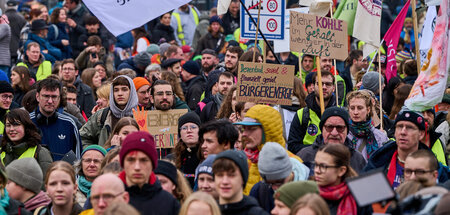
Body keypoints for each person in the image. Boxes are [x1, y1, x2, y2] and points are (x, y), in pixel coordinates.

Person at [365, 110, 449, 189]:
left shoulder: (435, 168)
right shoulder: (377, 162)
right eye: (399, 127)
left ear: (421, 134)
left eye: (410, 128)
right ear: (394, 132)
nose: (403, 132)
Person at [234, 105, 304, 195]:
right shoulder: (242, 160)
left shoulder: (292, 163)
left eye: (251, 129)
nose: (244, 134)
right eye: (244, 128)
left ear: (267, 130)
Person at [118, 131, 180, 214]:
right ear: (123, 163)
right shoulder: (109, 198)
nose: (137, 167)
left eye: (144, 160)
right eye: (131, 160)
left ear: (153, 164)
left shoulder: (169, 203)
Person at [297, 107, 367, 173]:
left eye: (340, 128)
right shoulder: (305, 156)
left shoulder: (357, 159)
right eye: (329, 127)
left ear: (347, 131)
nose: (334, 133)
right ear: (322, 129)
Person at [30, 78, 82, 160]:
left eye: (54, 97)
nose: (50, 101)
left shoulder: (69, 124)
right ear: (37, 96)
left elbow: (78, 159)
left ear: (59, 98)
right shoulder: (27, 122)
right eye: (46, 96)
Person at [80, 75, 138, 148]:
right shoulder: (101, 116)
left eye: (124, 89)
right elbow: (82, 138)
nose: (120, 93)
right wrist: (96, 152)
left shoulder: (141, 116)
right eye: (116, 90)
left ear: (131, 91)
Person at [250, 142, 310, 213]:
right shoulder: (259, 191)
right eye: (269, 183)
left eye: (279, 182)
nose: (274, 188)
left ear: (289, 171)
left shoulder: (312, 185)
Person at [288, 71, 337, 154]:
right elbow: (293, 146)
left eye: (328, 84)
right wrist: (318, 148)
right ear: (313, 86)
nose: (324, 87)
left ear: (333, 88)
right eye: (320, 84)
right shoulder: (302, 114)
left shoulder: (339, 115)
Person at [314, 144, 365, 215]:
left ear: (341, 171)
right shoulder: (308, 194)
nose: (317, 170)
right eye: (316, 164)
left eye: (323, 166)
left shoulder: (360, 199)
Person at [212, 150, 268, 215]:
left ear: (243, 179)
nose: (225, 181)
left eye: (231, 175)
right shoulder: (207, 211)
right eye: (220, 175)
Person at [1, 108, 52, 174]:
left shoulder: (40, 153)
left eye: (16, 124)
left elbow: (47, 181)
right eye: (8, 125)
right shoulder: (2, 151)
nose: (11, 129)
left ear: (26, 127)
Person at [346, 91, 388, 160]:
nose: (355, 112)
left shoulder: (380, 136)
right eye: (352, 108)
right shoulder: (344, 134)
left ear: (368, 110)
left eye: (360, 108)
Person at [171, 112, 202, 187]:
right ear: (180, 135)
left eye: (193, 127)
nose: (189, 130)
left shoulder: (207, 156)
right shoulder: (172, 159)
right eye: (184, 128)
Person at [4, 0, 27, 65]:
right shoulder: (22, 18)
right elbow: (24, 36)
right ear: (16, 7)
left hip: (3, 51)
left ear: (6, 6)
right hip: (16, 49)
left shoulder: (2, 18)